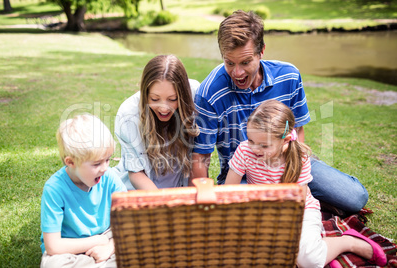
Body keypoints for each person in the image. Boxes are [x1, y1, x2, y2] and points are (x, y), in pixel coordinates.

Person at [191, 10, 368, 214]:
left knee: (355, 198)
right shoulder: (209, 93)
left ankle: (308, 197)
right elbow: (201, 156)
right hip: (243, 176)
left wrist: (291, 175)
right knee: (243, 216)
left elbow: (298, 131)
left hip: (289, 165)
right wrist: (202, 200)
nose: (237, 73)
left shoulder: (289, 76)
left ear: (262, 51)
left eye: (245, 62)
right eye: (229, 62)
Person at [225, 100, 387, 268]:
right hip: (263, 210)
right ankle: (321, 251)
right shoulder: (245, 151)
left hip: (298, 211)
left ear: (285, 140)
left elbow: (297, 203)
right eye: (250, 140)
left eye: (264, 145)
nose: (255, 149)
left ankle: (347, 242)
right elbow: (229, 191)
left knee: (310, 262)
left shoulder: (298, 157)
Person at [40, 114, 127, 268]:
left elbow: (130, 220)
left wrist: (109, 247)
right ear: (71, 162)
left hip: (108, 237)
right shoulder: (54, 189)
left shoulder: (110, 177)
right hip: (70, 247)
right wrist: (96, 241)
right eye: (97, 164)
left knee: (138, 247)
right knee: (52, 265)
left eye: (107, 160)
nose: (105, 168)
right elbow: (53, 246)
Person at [114, 54, 200, 190]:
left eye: (172, 99)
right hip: (138, 192)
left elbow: (199, 155)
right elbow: (136, 172)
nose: (164, 108)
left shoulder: (195, 94)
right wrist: (162, 202)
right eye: (154, 99)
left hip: (176, 191)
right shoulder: (128, 115)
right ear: (145, 93)